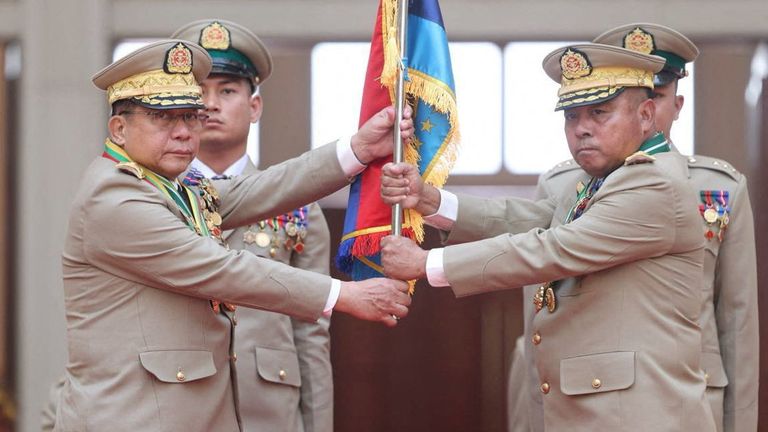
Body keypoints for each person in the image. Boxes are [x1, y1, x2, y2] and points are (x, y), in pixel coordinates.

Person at [53, 39, 413, 432]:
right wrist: (344, 295)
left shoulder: (166, 187)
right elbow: (221, 269)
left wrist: (357, 150)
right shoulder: (116, 196)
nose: (183, 132)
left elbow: (254, 190)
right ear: (119, 129)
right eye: (162, 118)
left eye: (191, 117)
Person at [380, 42, 717, 431]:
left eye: (599, 113)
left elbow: (555, 247)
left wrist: (427, 264)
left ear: (645, 116)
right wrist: (430, 200)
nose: (582, 128)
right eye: (571, 116)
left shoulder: (652, 182)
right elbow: (529, 219)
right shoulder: (604, 179)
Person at [505, 24, 759, 432]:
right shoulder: (562, 188)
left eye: (655, 97)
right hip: (585, 405)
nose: (648, 111)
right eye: (626, 97)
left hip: (692, 403)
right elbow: (538, 322)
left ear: (676, 105)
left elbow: (737, 326)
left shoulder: (719, 188)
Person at [172, 19, 333, 432]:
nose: (211, 104)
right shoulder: (157, 201)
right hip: (179, 406)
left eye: (227, 90)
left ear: (254, 106)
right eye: (198, 91)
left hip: (271, 412)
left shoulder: (297, 208)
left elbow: (311, 335)